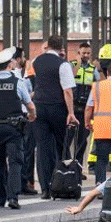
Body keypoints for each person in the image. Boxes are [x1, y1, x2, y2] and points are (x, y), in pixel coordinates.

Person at [0, 46, 36, 209]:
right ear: (10, 65)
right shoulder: (18, 83)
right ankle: (13, 197)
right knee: (15, 161)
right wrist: (32, 116)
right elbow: (29, 104)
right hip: (14, 128)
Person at [32, 34, 78, 199]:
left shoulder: (36, 61)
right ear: (61, 48)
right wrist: (71, 113)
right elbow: (67, 90)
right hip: (57, 108)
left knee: (43, 148)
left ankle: (45, 188)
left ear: (47, 46)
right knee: (61, 146)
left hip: (39, 108)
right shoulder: (63, 65)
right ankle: (61, 184)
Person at [12, 47, 38, 195]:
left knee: (26, 150)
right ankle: (21, 182)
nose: (24, 60)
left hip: (24, 115)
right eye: (22, 57)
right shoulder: (13, 76)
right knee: (23, 150)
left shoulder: (27, 74)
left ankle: (26, 182)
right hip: (22, 115)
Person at [70, 42, 99, 165]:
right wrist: (78, 63)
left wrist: (99, 69)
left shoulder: (93, 69)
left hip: (85, 109)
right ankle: (65, 167)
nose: (86, 55)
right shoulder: (72, 65)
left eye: (88, 53)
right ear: (78, 53)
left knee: (82, 140)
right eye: (83, 53)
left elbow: (101, 84)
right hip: (72, 108)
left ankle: (78, 166)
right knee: (67, 139)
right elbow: (71, 76)